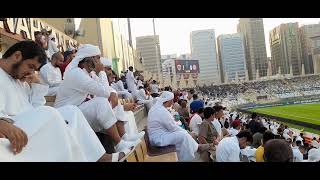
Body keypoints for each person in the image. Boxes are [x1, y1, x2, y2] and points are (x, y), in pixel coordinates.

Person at [0, 41, 131, 162]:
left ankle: (100, 157)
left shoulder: (20, 80)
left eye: (34, 69)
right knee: (50, 113)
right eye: (30, 66)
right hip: (14, 126)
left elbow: (36, 108)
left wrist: (37, 84)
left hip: (30, 124)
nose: (31, 72)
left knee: (71, 111)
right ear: (17, 56)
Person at [54, 44, 139, 153]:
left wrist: (113, 92)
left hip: (77, 110)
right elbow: (104, 92)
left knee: (112, 101)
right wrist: (101, 72)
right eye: (98, 58)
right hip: (67, 115)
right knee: (101, 103)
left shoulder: (88, 74)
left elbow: (107, 89)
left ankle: (124, 138)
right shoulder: (76, 73)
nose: (100, 62)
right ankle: (119, 144)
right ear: (89, 60)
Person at [147, 91, 213, 162]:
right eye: (172, 101)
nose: (172, 103)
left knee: (183, 134)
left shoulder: (158, 108)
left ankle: (197, 148)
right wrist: (185, 131)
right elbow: (172, 127)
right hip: (158, 139)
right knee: (183, 135)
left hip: (158, 136)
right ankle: (194, 150)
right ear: (168, 101)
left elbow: (171, 126)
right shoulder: (161, 110)